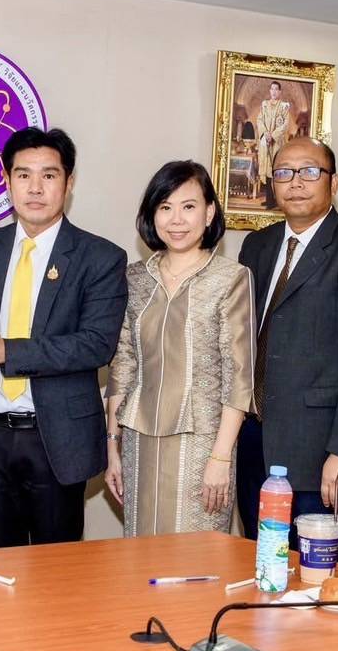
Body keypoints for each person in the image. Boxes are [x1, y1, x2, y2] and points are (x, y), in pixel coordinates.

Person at [0, 127, 128, 548]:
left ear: (69, 183)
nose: (35, 188)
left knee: (57, 570)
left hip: (55, 437)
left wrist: (6, 350)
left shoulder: (100, 257)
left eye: (49, 175)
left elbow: (96, 344)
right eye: (23, 175)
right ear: (6, 181)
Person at [236, 137, 338, 554]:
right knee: (257, 565)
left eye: (309, 171)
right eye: (284, 173)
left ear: (333, 182)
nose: (296, 183)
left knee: (315, 574)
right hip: (253, 442)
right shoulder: (257, 245)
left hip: (318, 450)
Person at [105, 161, 253, 534]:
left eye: (188, 206)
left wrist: (222, 457)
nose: (176, 220)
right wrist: (112, 448)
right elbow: (123, 365)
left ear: (209, 212)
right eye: (165, 207)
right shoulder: (135, 278)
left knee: (195, 557)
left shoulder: (230, 278)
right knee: (139, 549)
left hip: (205, 444)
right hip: (138, 439)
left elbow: (239, 376)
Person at [255, 81, 292, 207]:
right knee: (267, 170)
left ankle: (276, 200)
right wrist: (265, 133)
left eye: (276, 89)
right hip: (266, 142)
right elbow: (259, 120)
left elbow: (285, 124)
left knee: (275, 170)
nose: (274, 91)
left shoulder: (284, 107)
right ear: (269, 91)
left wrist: (273, 135)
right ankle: (269, 199)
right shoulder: (264, 105)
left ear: (280, 92)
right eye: (272, 89)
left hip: (276, 143)